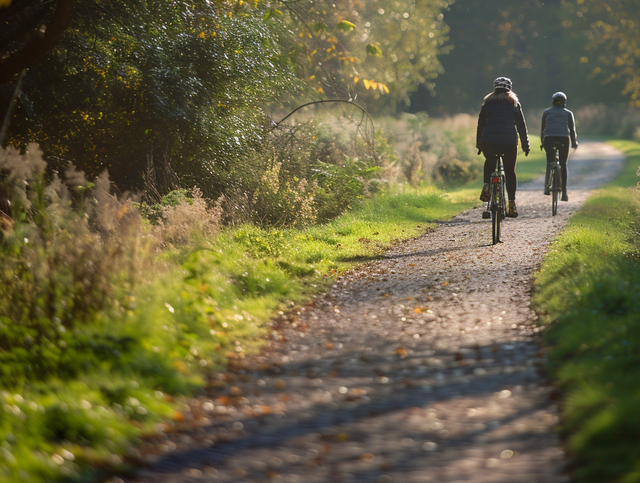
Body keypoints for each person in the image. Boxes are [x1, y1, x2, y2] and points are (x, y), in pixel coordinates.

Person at [476, 77, 530, 218]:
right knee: (510, 171)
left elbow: (480, 125)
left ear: (495, 88)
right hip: (508, 142)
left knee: (489, 162)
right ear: (509, 89)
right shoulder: (514, 103)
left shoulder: (487, 103)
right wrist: (525, 145)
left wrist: (479, 145)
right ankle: (511, 204)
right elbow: (521, 126)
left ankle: (487, 185)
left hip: (489, 140)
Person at [540, 92, 578, 202]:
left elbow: (543, 129)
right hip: (563, 139)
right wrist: (574, 143)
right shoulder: (568, 113)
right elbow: (572, 129)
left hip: (549, 138)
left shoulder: (546, 112)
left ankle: (547, 187)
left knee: (549, 161)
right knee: (563, 165)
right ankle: (564, 193)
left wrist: (542, 143)